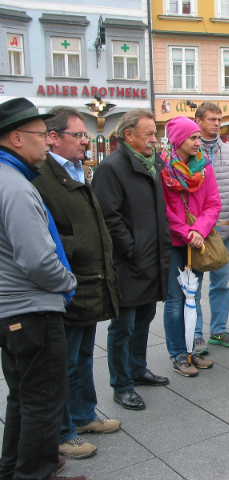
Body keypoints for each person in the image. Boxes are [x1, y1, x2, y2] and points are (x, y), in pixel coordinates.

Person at [0, 97, 82, 480]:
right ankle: (37, 472)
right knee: (43, 400)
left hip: (12, 311)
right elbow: (36, 260)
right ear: (16, 138)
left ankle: (14, 468)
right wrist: (67, 282)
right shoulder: (15, 187)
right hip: (30, 310)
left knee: (22, 397)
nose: (47, 142)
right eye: (39, 135)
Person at [33, 107, 120, 461]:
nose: (86, 141)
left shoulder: (77, 170)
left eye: (85, 135)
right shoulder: (40, 175)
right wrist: (78, 251)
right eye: (78, 135)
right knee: (65, 362)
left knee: (84, 354)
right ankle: (63, 431)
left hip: (89, 277)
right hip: (68, 280)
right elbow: (44, 235)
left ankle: (84, 416)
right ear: (53, 137)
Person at [92, 110, 172, 411]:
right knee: (123, 326)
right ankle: (122, 384)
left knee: (143, 320)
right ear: (128, 135)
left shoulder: (151, 164)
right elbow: (109, 217)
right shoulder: (111, 167)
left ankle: (138, 369)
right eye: (149, 133)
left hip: (151, 259)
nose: (155, 139)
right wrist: (132, 249)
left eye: (155, 133)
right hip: (128, 262)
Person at [161, 116, 221, 376]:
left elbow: (213, 203)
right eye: (194, 138)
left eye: (198, 137)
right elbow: (163, 210)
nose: (199, 142)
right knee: (175, 300)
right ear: (178, 140)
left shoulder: (203, 168)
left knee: (193, 297)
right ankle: (178, 354)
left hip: (197, 240)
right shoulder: (162, 170)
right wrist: (187, 233)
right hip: (175, 243)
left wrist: (199, 230)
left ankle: (191, 349)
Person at [194, 102, 229, 352]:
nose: (217, 123)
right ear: (199, 121)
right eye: (212, 119)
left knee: (221, 283)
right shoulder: (188, 149)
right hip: (195, 232)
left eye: (219, 119)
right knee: (193, 285)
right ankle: (194, 334)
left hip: (223, 228)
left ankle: (218, 330)